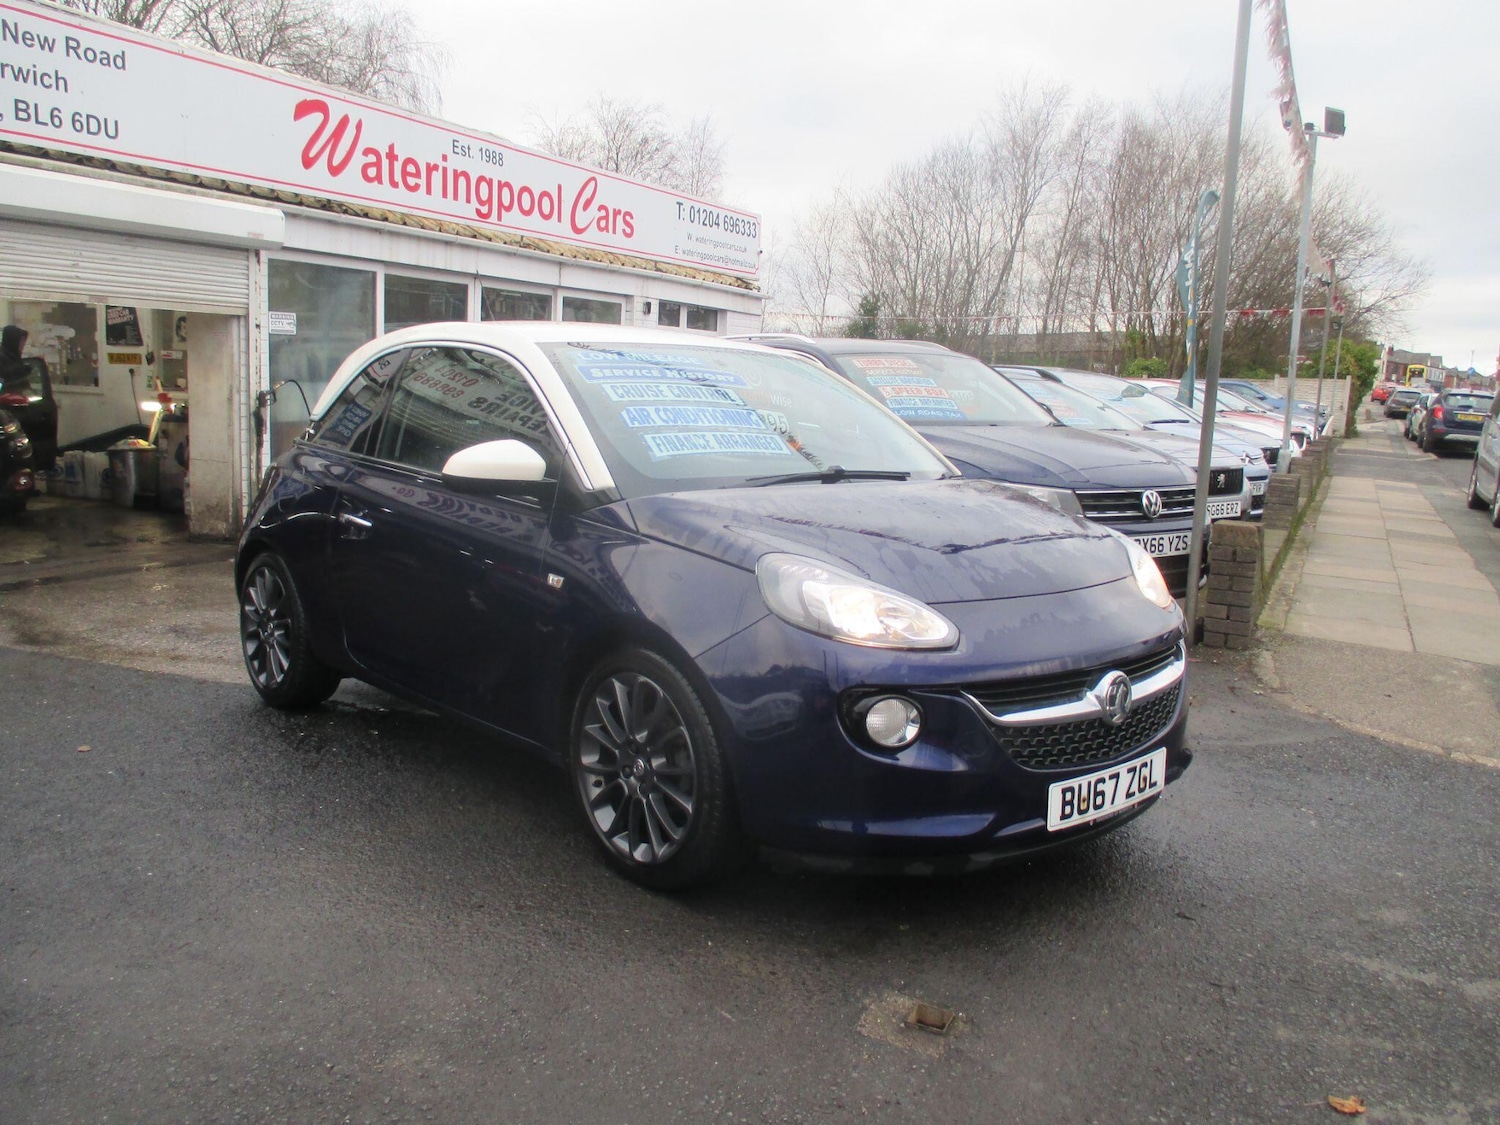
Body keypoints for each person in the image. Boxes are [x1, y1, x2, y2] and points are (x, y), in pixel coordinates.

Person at [0, 325, 30, 393]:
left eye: (23, 341)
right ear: (13, 341)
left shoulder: (16, 358)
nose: (23, 345)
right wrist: (24, 370)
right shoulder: (2, 359)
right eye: (21, 341)